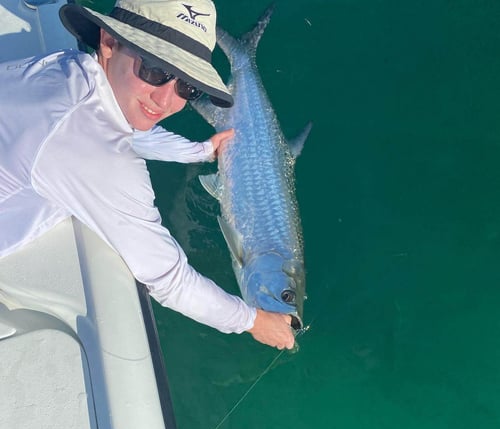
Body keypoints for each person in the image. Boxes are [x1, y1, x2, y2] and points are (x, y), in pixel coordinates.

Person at [0, 0, 296, 350]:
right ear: (109, 42)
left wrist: (199, 151)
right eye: (155, 70)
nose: (165, 99)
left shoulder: (72, 71)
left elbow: (124, 129)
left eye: (187, 87)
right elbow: (169, 279)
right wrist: (255, 321)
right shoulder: (97, 158)